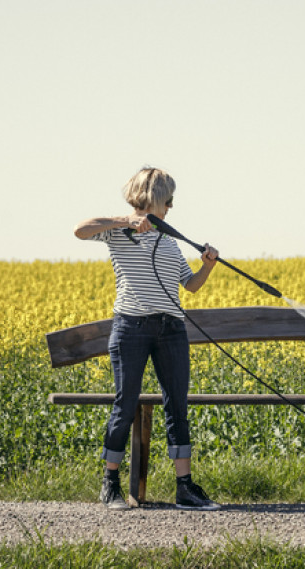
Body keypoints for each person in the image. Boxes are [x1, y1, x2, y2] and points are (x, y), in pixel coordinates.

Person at [73, 167, 221, 511]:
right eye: (168, 200)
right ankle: (110, 484)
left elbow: (191, 285)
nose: (171, 206)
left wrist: (208, 265)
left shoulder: (170, 242)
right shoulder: (119, 233)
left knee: (177, 406)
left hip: (171, 329)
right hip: (131, 328)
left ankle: (184, 488)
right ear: (153, 199)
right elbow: (79, 230)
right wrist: (124, 220)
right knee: (125, 404)